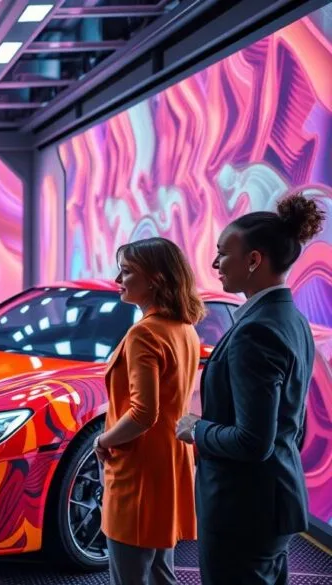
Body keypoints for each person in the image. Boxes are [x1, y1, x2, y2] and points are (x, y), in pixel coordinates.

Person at [175, 193, 325, 585]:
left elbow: (252, 441)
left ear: (253, 260)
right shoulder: (290, 318)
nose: (215, 263)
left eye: (223, 253)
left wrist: (196, 429)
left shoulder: (256, 331)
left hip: (243, 509)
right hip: (270, 501)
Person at [96, 237, 204, 585]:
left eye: (126, 272)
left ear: (155, 278)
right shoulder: (184, 328)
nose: (118, 280)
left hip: (139, 469)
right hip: (169, 464)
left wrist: (103, 441)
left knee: (131, 575)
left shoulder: (145, 333)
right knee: (160, 571)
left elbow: (144, 414)